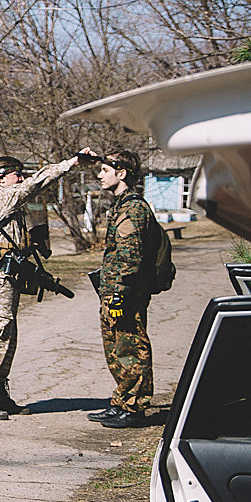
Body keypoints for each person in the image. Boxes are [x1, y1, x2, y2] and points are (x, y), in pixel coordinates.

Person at [0, 150, 95, 419]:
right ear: (0, 178)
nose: (22, 179)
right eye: (17, 175)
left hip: (8, 274)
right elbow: (38, 182)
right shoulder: (3, 197)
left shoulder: (9, 200)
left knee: (8, 334)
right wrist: (71, 163)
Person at [90, 149, 165, 429]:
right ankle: (121, 401)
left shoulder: (133, 208)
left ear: (121, 174)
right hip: (113, 290)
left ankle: (134, 407)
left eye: (105, 171)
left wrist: (119, 292)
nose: (100, 175)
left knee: (131, 346)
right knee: (116, 347)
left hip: (126, 292)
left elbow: (130, 258)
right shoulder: (121, 205)